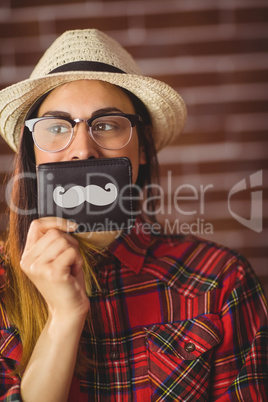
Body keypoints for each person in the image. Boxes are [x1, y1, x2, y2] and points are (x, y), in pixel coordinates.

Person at [0, 29, 267, 402]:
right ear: (34, 154)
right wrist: (64, 316)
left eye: (106, 124)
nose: (83, 149)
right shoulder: (2, 286)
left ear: (142, 149)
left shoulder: (220, 280)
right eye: (57, 127)